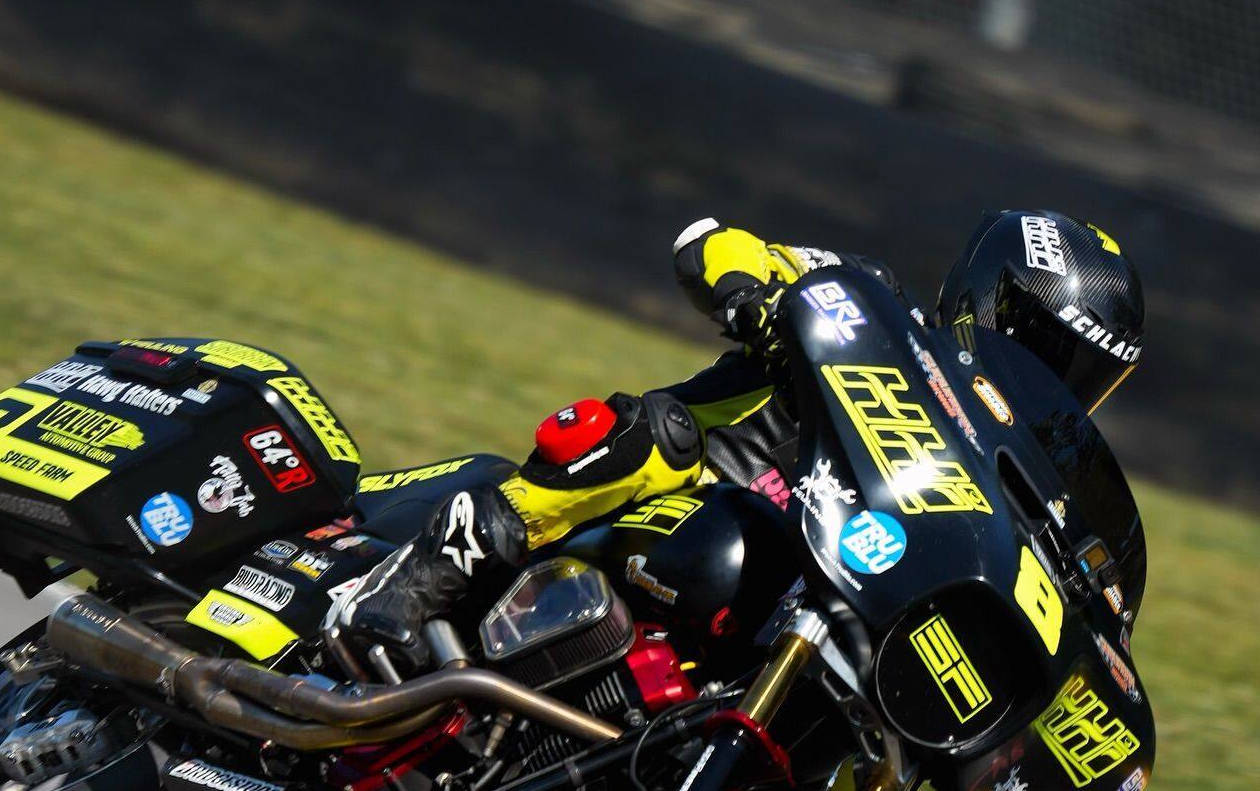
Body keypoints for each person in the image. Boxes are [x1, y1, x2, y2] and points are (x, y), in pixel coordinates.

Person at [343, 210, 1146, 670]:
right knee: (656, 435)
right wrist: (756, 289)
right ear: (989, 297)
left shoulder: (1001, 482)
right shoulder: (875, 305)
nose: (1050, 380)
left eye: (1080, 375)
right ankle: (418, 578)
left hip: (814, 585)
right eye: (1042, 344)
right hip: (698, 500)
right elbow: (715, 242)